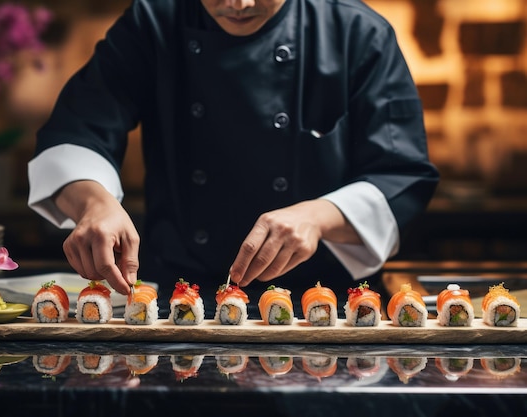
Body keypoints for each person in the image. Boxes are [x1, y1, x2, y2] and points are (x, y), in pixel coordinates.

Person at [27, 0, 439, 313]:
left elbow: (401, 176)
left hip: (323, 310)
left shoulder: (357, 32)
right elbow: (77, 129)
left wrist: (319, 216)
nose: (238, 4)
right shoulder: (154, 20)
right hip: (173, 306)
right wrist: (94, 204)